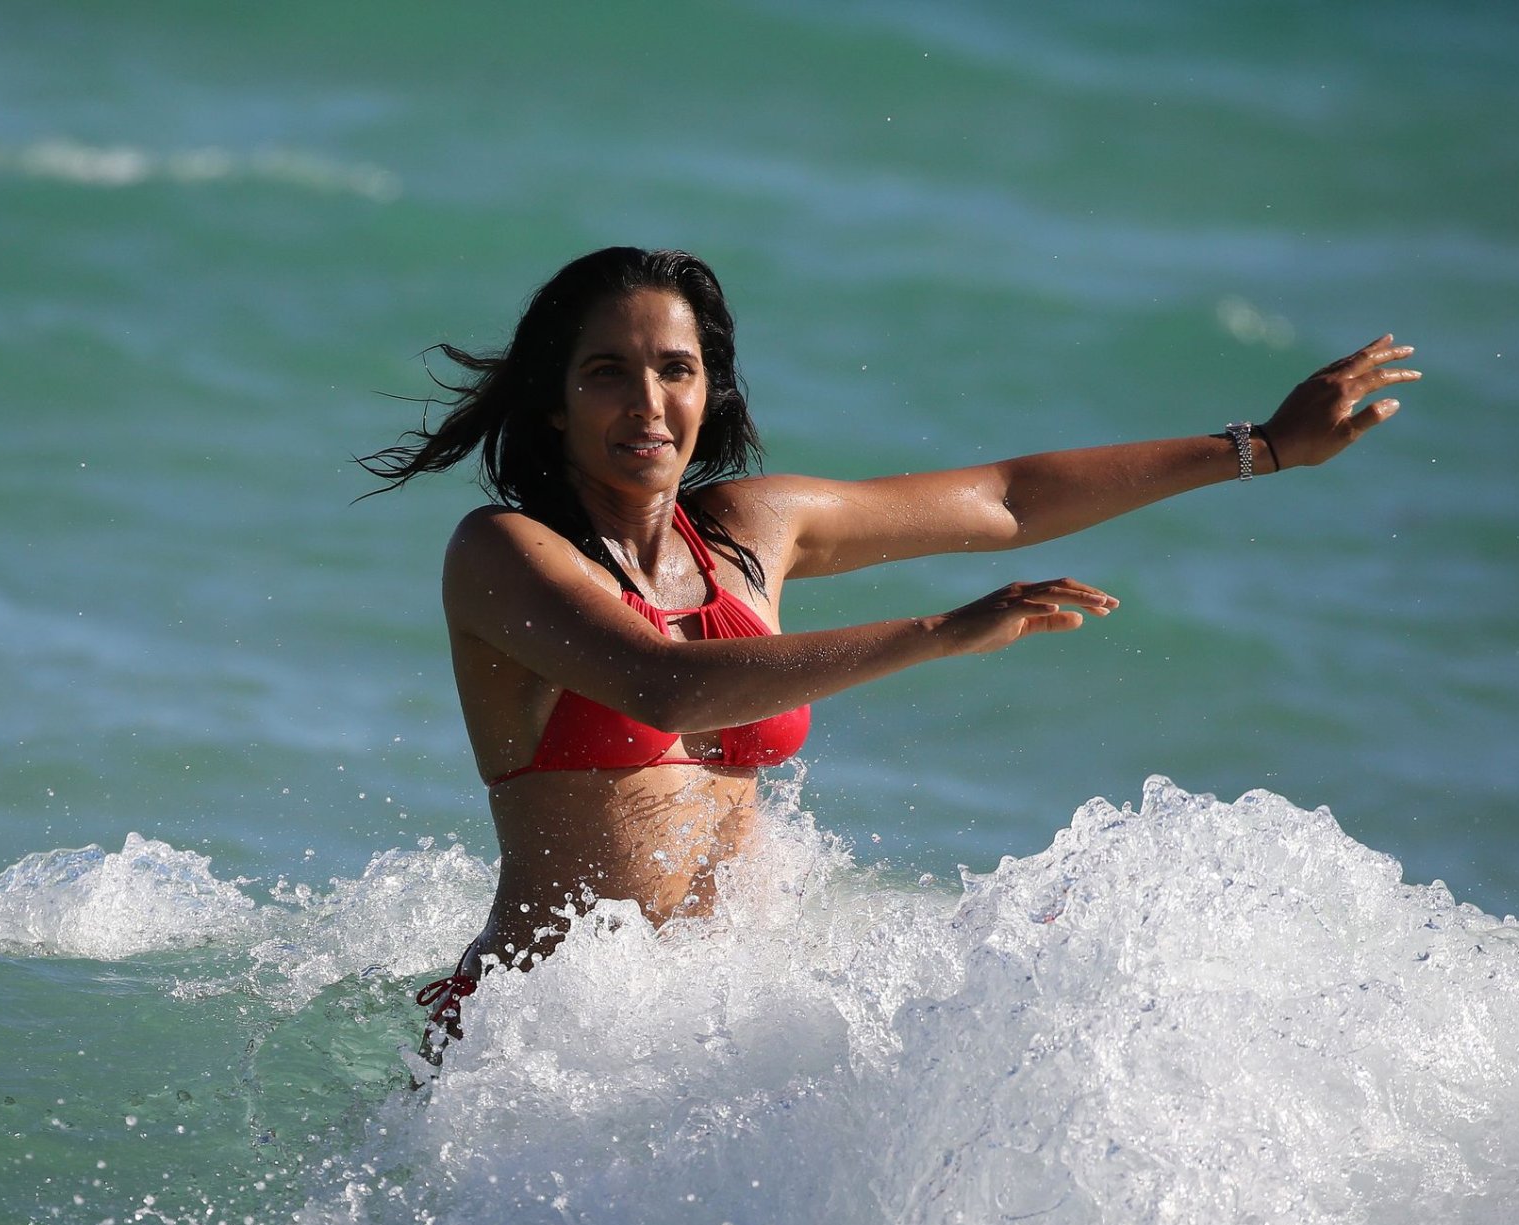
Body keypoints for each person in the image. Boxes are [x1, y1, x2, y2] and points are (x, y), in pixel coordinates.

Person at [359, 246, 1419, 1071]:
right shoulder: (503, 553)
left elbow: (1005, 499)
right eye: (607, 373)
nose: (647, 402)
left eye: (676, 369)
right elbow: (660, 685)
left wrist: (1260, 447)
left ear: (709, 388)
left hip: (700, 1034)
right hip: (533, 1055)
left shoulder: (748, 534)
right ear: (554, 402)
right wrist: (937, 633)